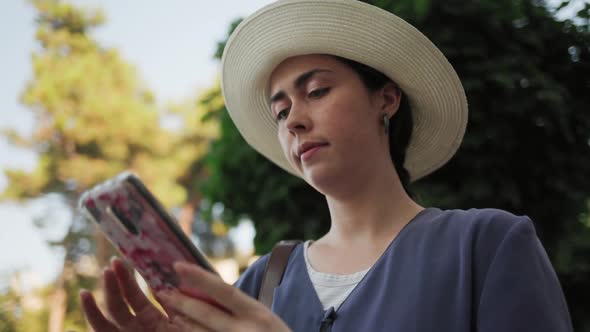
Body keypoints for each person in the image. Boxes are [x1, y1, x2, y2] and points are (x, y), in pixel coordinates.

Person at [80, 0, 573, 331]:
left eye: (316, 91)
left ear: (386, 98)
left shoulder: (487, 246)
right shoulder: (258, 284)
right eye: (279, 111)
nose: (294, 119)